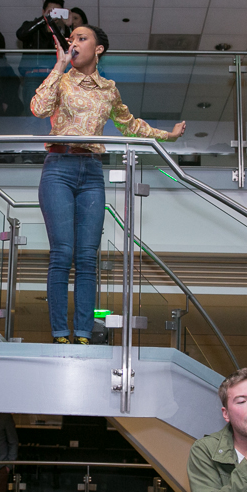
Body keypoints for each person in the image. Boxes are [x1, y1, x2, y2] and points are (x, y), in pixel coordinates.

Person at [31, 25, 184, 344]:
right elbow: (39, 109)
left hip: (91, 171)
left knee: (88, 257)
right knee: (62, 253)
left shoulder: (108, 89)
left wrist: (167, 136)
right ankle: (59, 333)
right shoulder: (62, 80)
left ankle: (83, 334)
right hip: (58, 166)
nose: (73, 43)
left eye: (81, 38)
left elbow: (130, 125)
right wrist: (59, 65)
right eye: (71, 38)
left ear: (98, 49)